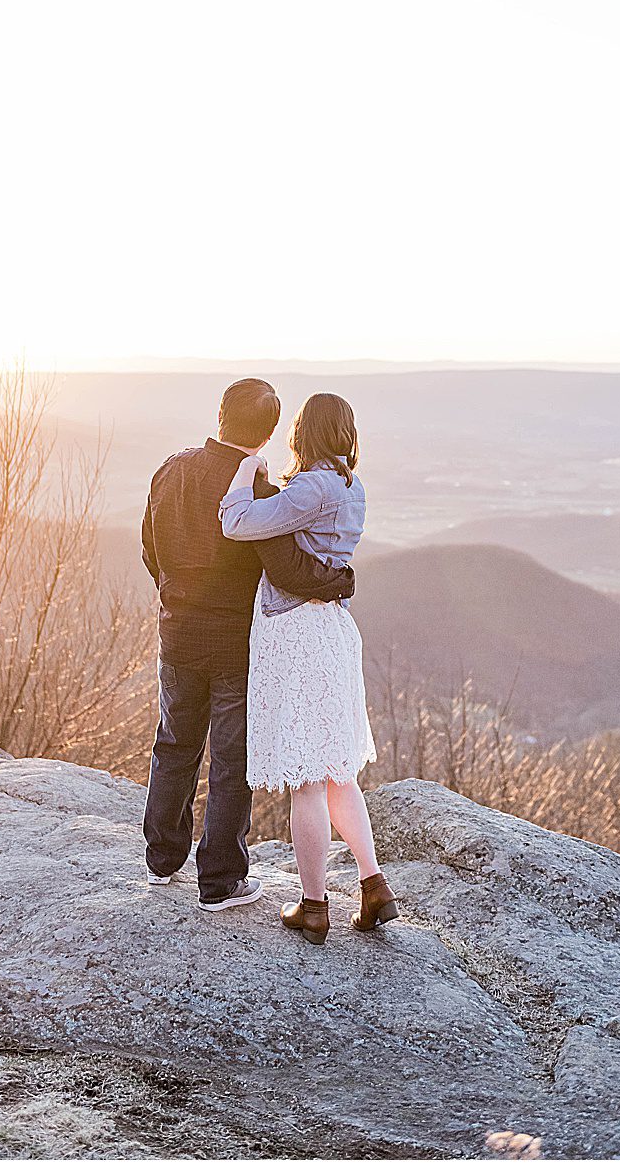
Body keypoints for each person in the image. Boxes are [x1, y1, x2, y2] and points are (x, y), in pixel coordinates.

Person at [139, 378, 357, 911]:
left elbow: (150, 547)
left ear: (220, 415)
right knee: (231, 759)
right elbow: (289, 569)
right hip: (237, 643)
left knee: (175, 744)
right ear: (268, 433)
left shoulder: (172, 468)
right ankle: (220, 881)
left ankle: (163, 859)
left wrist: (177, 596)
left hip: (178, 632)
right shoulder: (256, 488)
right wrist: (340, 580)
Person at [218, 391, 398, 944]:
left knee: (305, 780)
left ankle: (314, 904)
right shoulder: (350, 485)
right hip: (333, 631)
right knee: (337, 772)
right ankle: (373, 887)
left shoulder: (311, 486)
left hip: (296, 634)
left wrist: (246, 473)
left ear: (305, 432)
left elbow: (237, 522)